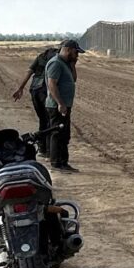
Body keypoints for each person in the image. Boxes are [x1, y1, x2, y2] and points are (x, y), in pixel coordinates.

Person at [12, 44, 60, 156]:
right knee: (49, 121)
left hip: (34, 90)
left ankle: (43, 149)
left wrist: (20, 88)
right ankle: (49, 151)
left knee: (43, 120)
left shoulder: (40, 57)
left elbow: (29, 72)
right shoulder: (56, 58)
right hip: (44, 91)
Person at [45, 39, 85, 173]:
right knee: (57, 135)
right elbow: (52, 84)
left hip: (64, 106)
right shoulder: (56, 63)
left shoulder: (65, 63)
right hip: (57, 106)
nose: (77, 55)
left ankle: (63, 162)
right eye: (76, 52)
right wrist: (60, 103)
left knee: (64, 135)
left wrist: (73, 64)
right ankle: (57, 164)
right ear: (68, 50)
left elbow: (73, 79)